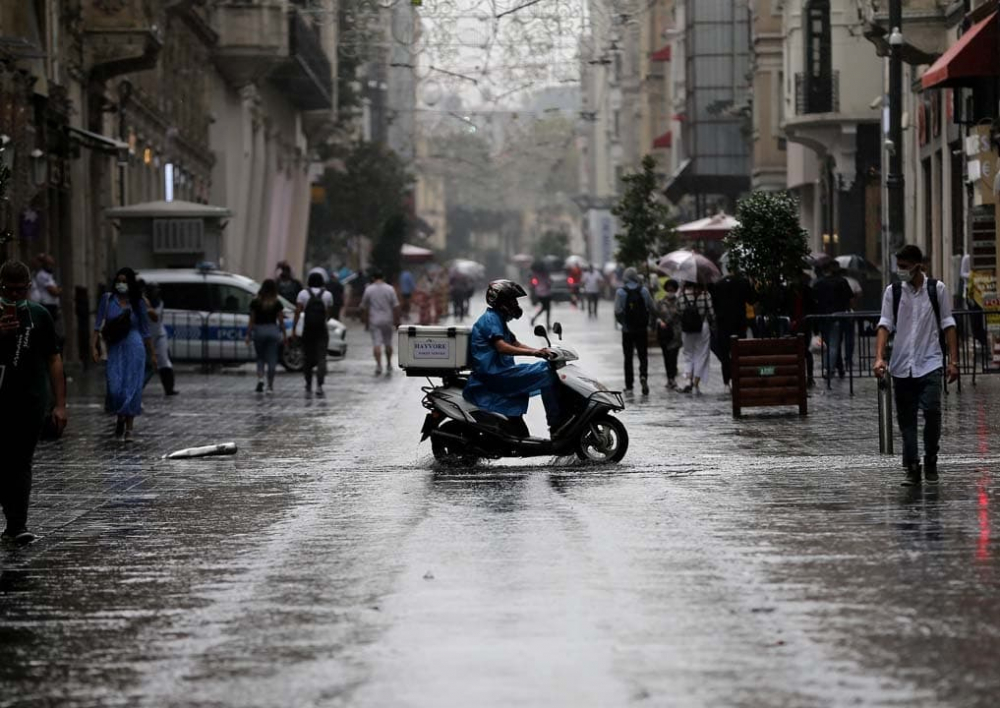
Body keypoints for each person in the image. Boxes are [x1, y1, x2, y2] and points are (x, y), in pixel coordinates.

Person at [874, 244, 959, 486]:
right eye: (898, 266)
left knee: (932, 411)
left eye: (904, 267)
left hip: (930, 361)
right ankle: (912, 466)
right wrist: (879, 357)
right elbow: (885, 324)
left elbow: (948, 324)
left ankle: (931, 456)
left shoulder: (937, 289)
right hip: (902, 366)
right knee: (907, 420)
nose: (900, 271)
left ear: (917, 265)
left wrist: (954, 361)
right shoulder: (893, 292)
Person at [0, 260, 67, 545]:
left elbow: (54, 359)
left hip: (30, 400)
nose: (14, 296)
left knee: (21, 461)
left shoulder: (39, 315)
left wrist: (60, 404)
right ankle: (12, 520)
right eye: (8, 289)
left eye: (20, 290)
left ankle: (17, 524)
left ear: (29, 287)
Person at [464, 280, 561, 436]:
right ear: (501, 301)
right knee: (547, 374)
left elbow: (515, 342)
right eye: (512, 300)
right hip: (495, 374)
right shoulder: (491, 319)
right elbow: (502, 347)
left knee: (547, 368)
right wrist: (534, 353)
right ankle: (556, 426)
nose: (515, 304)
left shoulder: (497, 318)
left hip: (501, 371)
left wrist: (539, 350)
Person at [92, 267, 156, 441]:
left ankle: (129, 428)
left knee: (132, 386)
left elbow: (145, 330)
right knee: (115, 387)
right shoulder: (107, 299)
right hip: (115, 346)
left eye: (125, 281)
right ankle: (120, 415)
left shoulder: (138, 302)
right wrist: (94, 347)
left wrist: (153, 353)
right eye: (119, 281)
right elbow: (97, 326)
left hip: (135, 346)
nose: (121, 284)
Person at [614, 267, 655, 395]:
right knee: (643, 356)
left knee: (628, 357)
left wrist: (624, 324)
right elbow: (652, 308)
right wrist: (650, 324)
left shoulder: (620, 292)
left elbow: (618, 311)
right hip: (642, 329)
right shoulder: (644, 291)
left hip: (627, 331)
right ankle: (643, 376)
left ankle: (629, 385)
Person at [710, 270, 754, 388]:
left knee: (725, 352)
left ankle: (726, 381)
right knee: (739, 351)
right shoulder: (743, 283)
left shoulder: (718, 284)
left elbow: (714, 304)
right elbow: (752, 300)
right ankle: (739, 378)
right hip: (739, 322)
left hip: (723, 322)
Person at [292, 271, 333, 397]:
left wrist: (294, 328)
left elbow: (298, 312)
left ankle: (308, 383)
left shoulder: (303, 294)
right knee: (322, 357)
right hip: (321, 329)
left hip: (308, 330)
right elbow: (329, 313)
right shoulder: (327, 295)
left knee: (307, 357)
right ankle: (320, 385)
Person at [813, 262, 855, 381]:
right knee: (834, 344)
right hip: (837, 316)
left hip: (823, 317)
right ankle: (831, 368)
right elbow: (850, 299)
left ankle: (829, 367)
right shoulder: (841, 282)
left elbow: (814, 300)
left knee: (827, 344)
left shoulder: (819, 283)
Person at [246, 278, 286, 393]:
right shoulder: (277, 303)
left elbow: (252, 320)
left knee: (260, 358)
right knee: (272, 359)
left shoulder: (255, 302)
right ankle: (270, 386)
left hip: (259, 331)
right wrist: (283, 334)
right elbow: (281, 321)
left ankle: (260, 380)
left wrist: (248, 335)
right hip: (273, 331)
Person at [359, 268, 401, 375]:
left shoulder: (369, 289)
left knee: (376, 344)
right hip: (388, 319)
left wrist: (365, 321)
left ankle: (378, 366)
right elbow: (396, 306)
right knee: (388, 343)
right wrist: (397, 321)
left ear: (373, 278)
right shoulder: (390, 289)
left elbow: (364, 306)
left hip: (374, 319)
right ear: (383, 278)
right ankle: (389, 364)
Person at [678, 281, 715, 394]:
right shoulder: (705, 294)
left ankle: (688, 381)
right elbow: (712, 313)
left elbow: (679, 311)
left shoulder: (682, 294)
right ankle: (696, 383)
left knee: (688, 354)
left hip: (687, 328)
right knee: (701, 354)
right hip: (702, 326)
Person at [144, 282, 178, 395]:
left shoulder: (159, 302)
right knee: (143, 364)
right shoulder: (141, 302)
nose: (156, 292)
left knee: (164, 362)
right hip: (144, 336)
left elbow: (156, 318)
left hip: (159, 335)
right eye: (154, 290)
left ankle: (169, 389)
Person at [655, 279, 683, 389]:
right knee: (666, 357)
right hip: (664, 333)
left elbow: (682, 315)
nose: (670, 291)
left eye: (672, 289)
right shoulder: (660, 302)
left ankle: (673, 377)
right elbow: (656, 315)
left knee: (673, 356)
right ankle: (669, 378)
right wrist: (660, 321)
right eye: (668, 289)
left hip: (676, 334)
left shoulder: (679, 302)